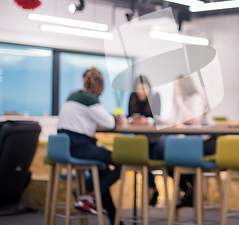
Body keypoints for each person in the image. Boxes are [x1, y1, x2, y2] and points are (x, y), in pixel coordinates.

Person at [57, 67, 123, 224]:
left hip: (66, 146)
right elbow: (108, 123)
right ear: (99, 87)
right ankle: (89, 196)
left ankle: (115, 219)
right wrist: (116, 119)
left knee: (103, 170)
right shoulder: (90, 100)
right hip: (79, 146)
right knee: (123, 162)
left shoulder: (73, 96)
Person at [160, 75, 215, 209]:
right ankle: (189, 191)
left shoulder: (196, 99)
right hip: (192, 142)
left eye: (177, 85)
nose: (175, 89)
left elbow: (194, 121)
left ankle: (192, 193)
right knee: (168, 158)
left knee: (178, 157)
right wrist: (156, 120)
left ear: (185, 86)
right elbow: (173, 121)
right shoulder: (180, 101)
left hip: (207, 142)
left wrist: (180, 102)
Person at [127, 75, 163, 206]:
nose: (141, 91)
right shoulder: (132, 98)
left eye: (144, 88)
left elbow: (157, 118)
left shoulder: (155, 97)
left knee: (146, 159)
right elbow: (128, 116)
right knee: (143, 159)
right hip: (140, 139)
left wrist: (146, 120)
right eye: (138, 88)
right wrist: (133, 120)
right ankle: (153, 189)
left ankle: (153, 189)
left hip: (154, 138)